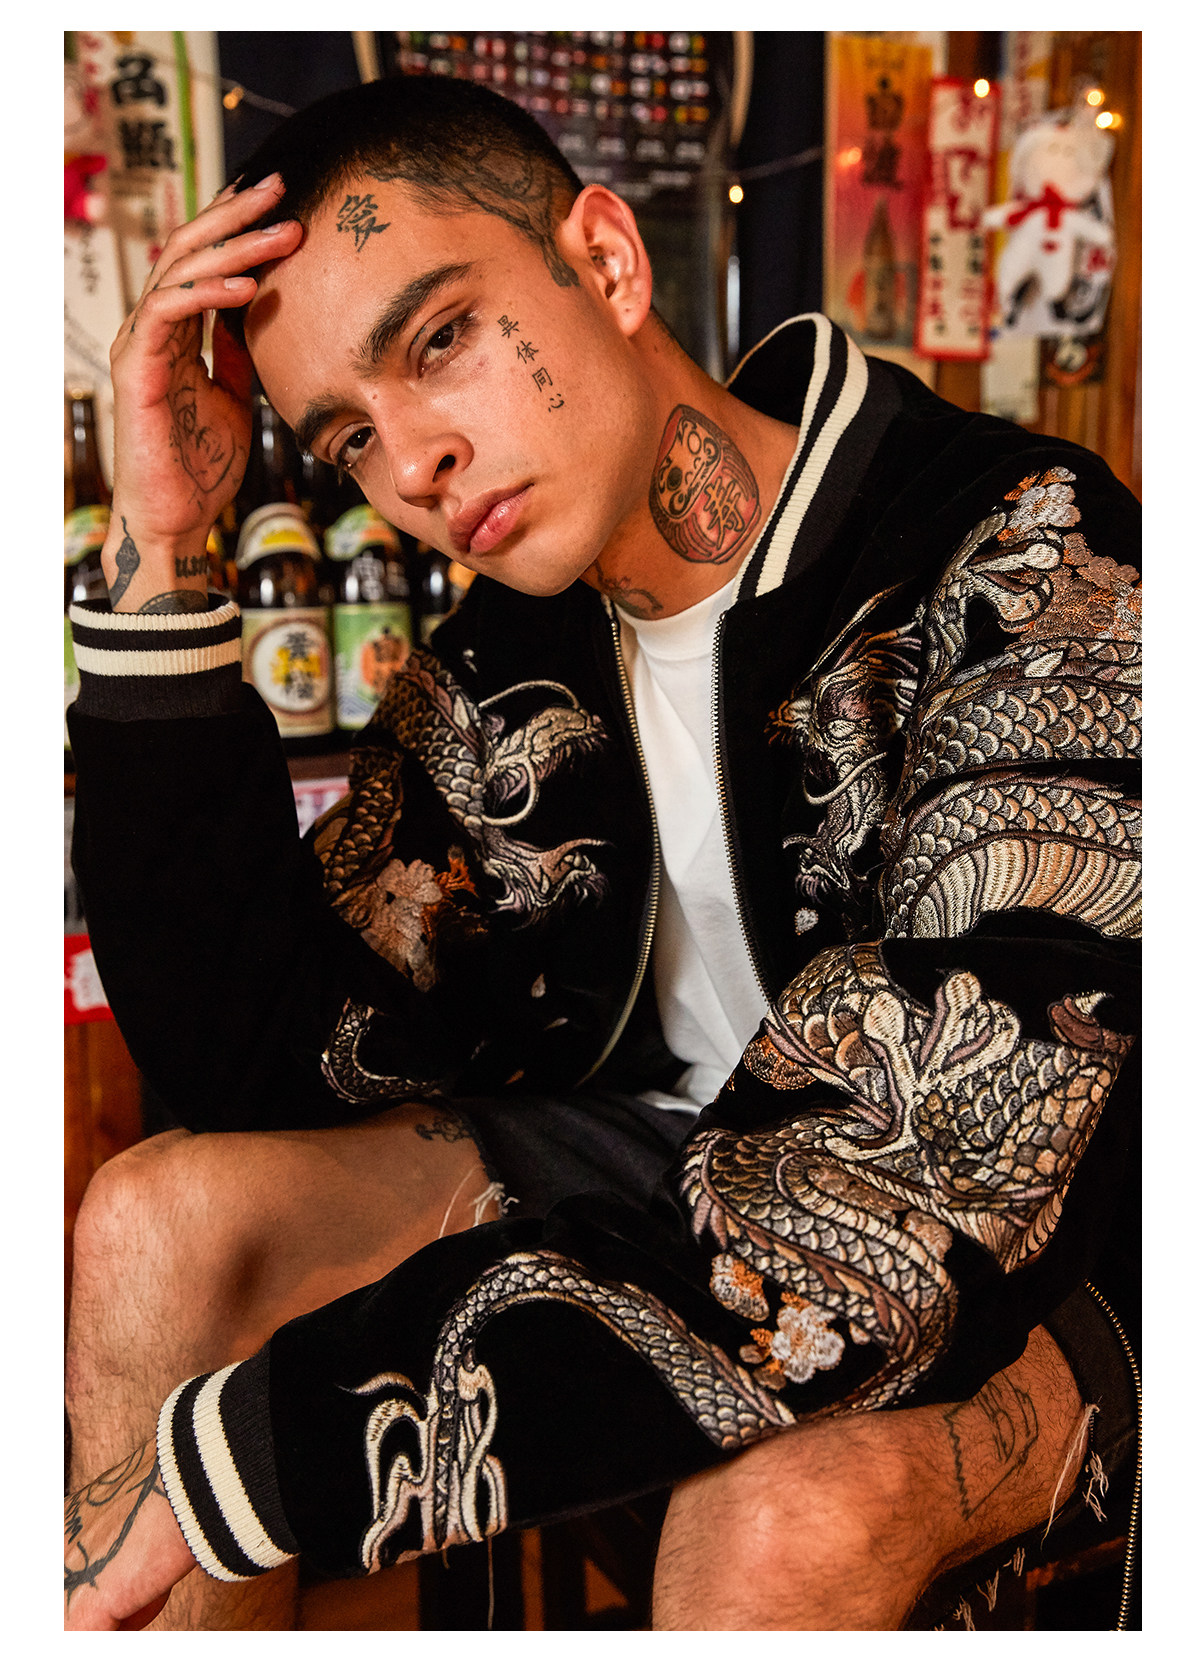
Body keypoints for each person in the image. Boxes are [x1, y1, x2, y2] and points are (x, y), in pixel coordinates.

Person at [64, 75, 1140, 1632]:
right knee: (158, 1220)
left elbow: (916, 1181)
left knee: (774, 1521)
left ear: (609, 262)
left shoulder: (1027, 551)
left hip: (1053, 1243)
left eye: (441, 338)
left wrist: (269, 1454)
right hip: (669, 1163)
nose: (414, 462)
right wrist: (165, 547)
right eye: (351, 437)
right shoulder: (516, 657)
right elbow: (262, 1053)